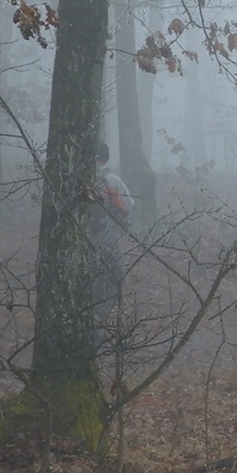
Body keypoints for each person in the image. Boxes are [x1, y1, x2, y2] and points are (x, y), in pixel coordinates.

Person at [88, 140, 133, 360]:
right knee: (112, 286)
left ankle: (93, 331)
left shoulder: (84, 179)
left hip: (87, 244)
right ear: (105, 158)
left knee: (96, 288)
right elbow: (129, 207)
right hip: (107, 243)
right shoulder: (111, 179)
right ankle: (95, 331)